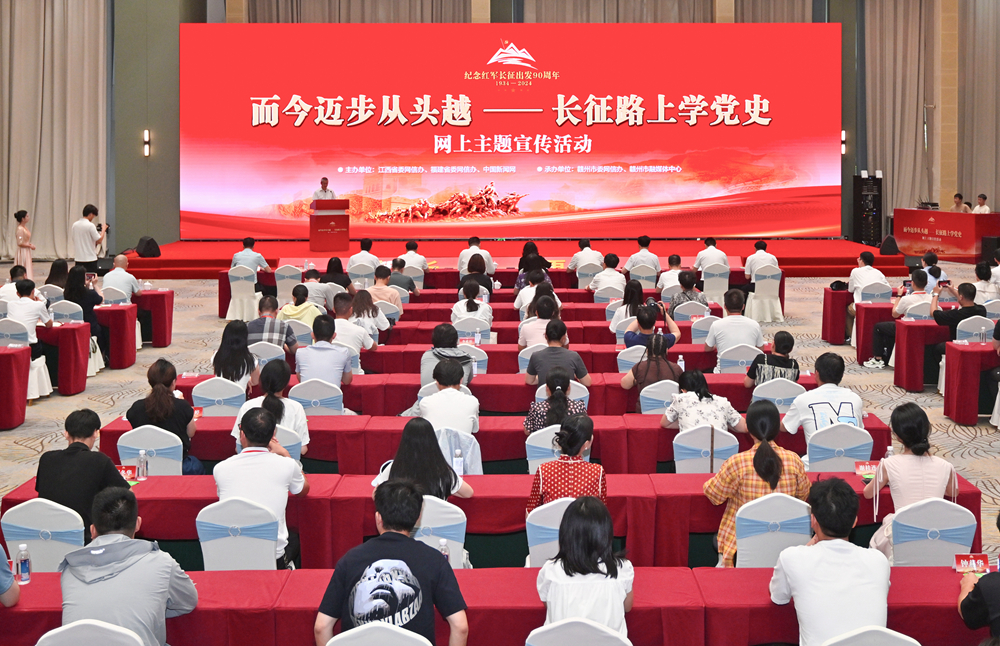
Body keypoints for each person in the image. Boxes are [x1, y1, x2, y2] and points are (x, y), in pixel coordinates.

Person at [314, 480, 468, 646]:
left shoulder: (350, 560)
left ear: (378, 518)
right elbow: (460, 627)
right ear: (418, 518)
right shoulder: (434, 560)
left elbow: (321, 627)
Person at [60, 488, 198, 646]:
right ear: (138, 523)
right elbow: (188, 602)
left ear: (92, 530)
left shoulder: (69, 569)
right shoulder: (162, 562)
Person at [769, 478, 890, 646]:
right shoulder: (878, 560)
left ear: (813, 520)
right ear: (855, 521)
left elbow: (779, 598)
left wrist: (811, 543)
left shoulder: (791, 558)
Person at [704, 400, 809, 566]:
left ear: (749, 429)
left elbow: (714, 496)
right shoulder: (794, 460)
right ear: (777, 428)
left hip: (741, 545)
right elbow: (802, 497)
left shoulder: (737, 462)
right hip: (786, 543)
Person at [216, 408, 309, 569]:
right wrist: (285, 454)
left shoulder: (220, 468)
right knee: (295, 539)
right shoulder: (286, 465)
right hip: (273, 558)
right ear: (273, 434)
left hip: (232, 554)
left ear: (242, 434)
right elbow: (303, 490)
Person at [863, 403, 957, 560]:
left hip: (901, 535)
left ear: (897, 437)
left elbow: (868, 494)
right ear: (927, 429)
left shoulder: (889, 464)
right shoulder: (946, 466)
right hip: (937, 534)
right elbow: (953, 492)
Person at [536, 496, 633, 636]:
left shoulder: (551, 570)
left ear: (565, 532)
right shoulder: (622, 568)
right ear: (606, 533)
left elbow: (549, 604)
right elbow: (627, 607)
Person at [35, 409, 129, 532]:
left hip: (47, 531)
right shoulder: (99, 460)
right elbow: (128, 495)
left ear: (66, 434)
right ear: (95, 433)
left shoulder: (46, 458)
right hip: (85, 533)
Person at [126, 359, 204, 475]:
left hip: (145, 466)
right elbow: (191, 433)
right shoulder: (182, 406)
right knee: (196, 466)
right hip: (178, 465)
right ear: (173, 382)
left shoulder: (136, 408)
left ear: (150, 382)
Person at [370, 417, 474, 499]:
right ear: (432, 441)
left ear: (404, 442)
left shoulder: (395, 467)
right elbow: (468, 493)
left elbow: (376, 495)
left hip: (405, 519)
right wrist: (448, 490)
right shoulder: (442, 469)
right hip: (436, 520)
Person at [526, 415, 606, 514]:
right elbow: (601, 512)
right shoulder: (597, 472)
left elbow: (531, 513)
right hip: (583, 523)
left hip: (552, 523)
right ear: (586, 444)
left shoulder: (544, 470)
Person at [782, 353, 864, 448]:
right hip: (851, 457)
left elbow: (785, 427)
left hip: (816, 458)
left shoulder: (803, 399)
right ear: (842, 375)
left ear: (816, 373)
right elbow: (860, 431)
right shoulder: (855, 399)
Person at [231, 359, 310, 456]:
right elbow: (302, 449)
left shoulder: (248, 406)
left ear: (261, 380)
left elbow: (238, 447)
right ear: (286, 383)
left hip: (253, 462)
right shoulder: (296, 408)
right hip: (286, 463)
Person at [866, 268, 931, 369]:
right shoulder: (932, 298)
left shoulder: (906, 299)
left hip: (907, 329)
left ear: (912, 283)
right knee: (890, 328)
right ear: (926, 283)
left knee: (878, 327)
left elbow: (895, 314)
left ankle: (878, 359)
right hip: (926, 328)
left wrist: (899, 296)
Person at [928, 282, 988, 379]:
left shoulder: (955, 315)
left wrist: (936, 294)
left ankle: (943, 375)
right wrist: (953, 291)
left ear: (961, 297)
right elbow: (968, 301)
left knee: (937, 349)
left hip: (958, 347)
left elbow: (933, 312)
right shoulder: (982, 310)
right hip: (976, 345)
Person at [661, 370, 747, 433]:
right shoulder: (722, 402)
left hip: (690, 451)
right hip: (719, 451)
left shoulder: (680, 399)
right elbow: (744, 427)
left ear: (683, 390)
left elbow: (665, 423)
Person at [7, 278, 57, 384]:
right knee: (51, 347)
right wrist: (40, 305)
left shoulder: (10, 304)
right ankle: (52, 382)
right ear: (33, 291)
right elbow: (49, 325)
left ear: (17, 293)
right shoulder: (39, 305)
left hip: (11, 345)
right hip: (30, 348)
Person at [704, 290, 765, 370]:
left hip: (723, 372)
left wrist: (716, 346)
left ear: (725, 306)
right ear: (743, 307)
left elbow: (707, 348)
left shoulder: (716, 325)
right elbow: (760, 349)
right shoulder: (755, 325)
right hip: (749, 372)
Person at [416, 359, 480, 434]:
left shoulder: (425, 402)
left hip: (434, 442)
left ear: (436, 381)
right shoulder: (472, 402)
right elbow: (475, 429)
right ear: (461, 380)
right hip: (462, 442)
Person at [621, 334, 682, 411]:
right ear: (666, 351)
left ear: (647, 351)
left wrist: (637, 379)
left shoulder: (640, 367)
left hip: (644, 413)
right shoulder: (676, 369)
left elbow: (625, 385)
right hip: (671, 413)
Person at [525, 320, 591, 387]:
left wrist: (542, 377)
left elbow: (529, 381)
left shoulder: (536, 356)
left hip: (544, 394)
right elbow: (587, 382)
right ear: (564, 338)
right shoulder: (574, 356)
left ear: (545, 336)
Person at [524, 367, 587, 435]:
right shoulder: (579, 407)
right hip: (571, 442)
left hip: (544, 441)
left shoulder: (537, 409)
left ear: (547, 388)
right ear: (569, 387)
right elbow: (584, 430)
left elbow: (527, 431)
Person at [296, 314, 353, 386]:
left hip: (306, 393)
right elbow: (347, 381)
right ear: (334, 336)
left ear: (312, 335)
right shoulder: (343, 353)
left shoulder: (300, 353)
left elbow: (301, 379)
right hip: (333, 393)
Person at [65, 265, 109, 358]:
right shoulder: (89, 294)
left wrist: (87, 286)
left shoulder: (66, 293)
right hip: (90, 325)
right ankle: (103, 357)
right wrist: (95, 285)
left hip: (73, 324)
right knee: (105, 331)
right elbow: (101, 299)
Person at [845, 251, 889, 340]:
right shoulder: (879, 273)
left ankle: (852, 337)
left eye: (859, 259)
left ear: (862, 261)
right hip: (879, 307)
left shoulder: (855, 271)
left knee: (848, 309)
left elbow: (850, 290)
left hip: (862, 307)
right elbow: (888, 288)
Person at [213, 320, 259, 391]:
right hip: (239, 397)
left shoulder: (216, 356)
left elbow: (217, 375)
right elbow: (256, 381)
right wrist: (247, 380)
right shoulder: (251, 360)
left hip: (219, 395)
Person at [71, 204, 107, 272]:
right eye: (93, 216)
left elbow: (74, 238)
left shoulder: (74, 225)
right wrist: (103, 229)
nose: (93, 218)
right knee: (90, 277)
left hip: (78, 258)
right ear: (90, 214)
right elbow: (99, 240)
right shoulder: (90, 225)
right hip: (90, 259)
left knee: (79, 277)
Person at [13, 210, 35, 279]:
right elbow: (19, 243)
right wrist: (30, 246)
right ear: (23, 218)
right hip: (22, 251)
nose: (28, 218)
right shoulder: (20, 229)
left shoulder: (24, 228)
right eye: (27, 216)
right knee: (23, 264)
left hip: (26, 250)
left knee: (27, 265)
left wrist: (29, 244)